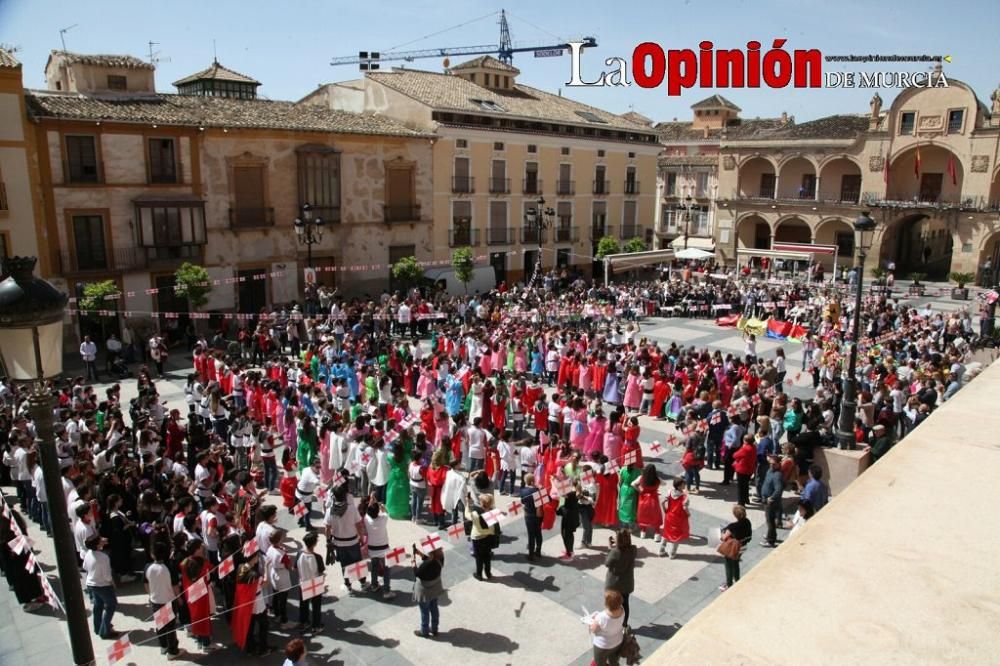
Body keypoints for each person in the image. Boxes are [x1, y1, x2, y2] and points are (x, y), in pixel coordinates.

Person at [324, 483, 367, 594]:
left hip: (339, 543)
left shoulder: (330, 511)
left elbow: (327, 529)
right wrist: (361, 538)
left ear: (334, 496)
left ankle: (348, 586)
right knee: (358, 562)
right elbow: (359, 525)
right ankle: (363, 583)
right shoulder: (352, 509)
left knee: (345, 565)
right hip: (353, 541)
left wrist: (328, 541)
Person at [145, 541, 182, 660]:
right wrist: (179, 598)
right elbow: (175, 586)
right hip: (168, 600)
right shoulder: (170, 568)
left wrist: (150, 594)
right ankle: (172, 651)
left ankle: (163, 646)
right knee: (170, 627)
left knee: (160, 625)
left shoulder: (147, 567)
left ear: (152, 554)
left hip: (155, 600)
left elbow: (145, 584)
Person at [83, 534, 119, 639]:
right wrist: (112, 583)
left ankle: (97, 626)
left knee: (98, 605)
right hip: (103, 585)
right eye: (100, 540)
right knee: (111, 605)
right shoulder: (103, 558)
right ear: (98, 545)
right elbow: (107, 576)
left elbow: (85, 566)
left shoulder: (88, 553)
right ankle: (105, 630)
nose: (103, 539)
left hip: (91, 583)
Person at [361, 495, 394, 599]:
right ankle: (386, 591)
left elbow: (367, 510)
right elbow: (385, 511)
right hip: (384, 549)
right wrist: (379, 504)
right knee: (386, 570)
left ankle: (374, 585)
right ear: (378, 511)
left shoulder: (367, 519)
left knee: (374, 567)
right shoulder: (383, 518)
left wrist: (372, 501)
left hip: (372, 549)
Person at [604, 529, 636, 625]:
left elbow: (607, 563)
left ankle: (612, 623)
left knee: (612, 604)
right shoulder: (633, 549)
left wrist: (610, 548)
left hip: (614, 584)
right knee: (625, 603)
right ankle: (624, 623)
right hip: (627, 583)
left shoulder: (615, 552)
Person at [412, 544, 445, 638]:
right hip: (435, 589)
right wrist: (420, 554)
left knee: (424, 611)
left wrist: (413, 565)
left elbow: (417, 573)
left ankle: (424, 631)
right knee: (434, 608)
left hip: (424, 592)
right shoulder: (440, 558)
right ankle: (434, 629)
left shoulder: (426, 565)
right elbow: (430, 560)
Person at [297, 531, 326, 631]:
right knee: (316, 606)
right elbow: (321, 572)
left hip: (303, 582)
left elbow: (295, 568)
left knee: (303, 605)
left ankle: (303, 623)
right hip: (315, 584)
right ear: (314, 544)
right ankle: (316, 626)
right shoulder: (317, 557)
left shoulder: (299, 553)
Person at [588, 589, 626, 666]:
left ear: (607, 603)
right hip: (617, 641)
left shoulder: (601, 617)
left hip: (603, 646)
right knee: (614, 661)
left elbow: (594, 630)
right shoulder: (622, 610)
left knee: (600, 663)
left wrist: (592, 622)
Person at [719, 504, 752, 591]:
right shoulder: (747, 522)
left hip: (733, 548)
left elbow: (723, 538)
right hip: (743, 547)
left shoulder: (733, 526)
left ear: (735, 515)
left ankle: (729, 584)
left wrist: (722, 532)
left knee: (728, 565)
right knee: (736, 562)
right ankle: (737, 580)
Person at [466, 492, 497, 580]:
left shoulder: (475, 514)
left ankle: (479, 574)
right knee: (487, 556)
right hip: (489, 537)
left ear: (481, 503)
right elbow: (491, 498)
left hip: (477, 538)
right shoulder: (493, 512)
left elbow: (467, 514)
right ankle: (488, 573)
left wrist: (468, 503)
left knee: (479, 558)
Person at [658, 477, 690, 558]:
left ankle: (661, 550)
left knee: (666, 533)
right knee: (677, 536)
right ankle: (672, 553)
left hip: (669, 516)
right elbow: (685, 507)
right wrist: (688, 514)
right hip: (679, 518)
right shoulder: (684, 496)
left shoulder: (670, 492)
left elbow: (662, 502)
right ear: (679, 486)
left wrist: (665, 510)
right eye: (683, 484)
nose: (684, 485)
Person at [760, 455, 784, 548]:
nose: (771, 466)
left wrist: (772, 498)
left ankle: (771, 541)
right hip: (765, 499)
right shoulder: (770, 471)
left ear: (779, 464)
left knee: (770, 521)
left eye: (774, 464)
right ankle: (770, 535)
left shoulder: (777, 475)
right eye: (770, 464)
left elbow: (778, 489)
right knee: (768, 520)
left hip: (771, 502)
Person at [633, 464, 662, 540]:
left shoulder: (641, 478)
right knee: (656, 516)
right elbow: (664, 484)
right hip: (653, 500)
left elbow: (633, 484)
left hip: (643, 499)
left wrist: (640, 490)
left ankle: (643, 532)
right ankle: (657, 534)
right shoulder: (657, 479)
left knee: (643, 516)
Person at [519, 472, 543, 560]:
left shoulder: (523, 491)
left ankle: (531, 555)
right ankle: (538, 550)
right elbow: (547, 499)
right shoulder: (538, 491)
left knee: (531, 535)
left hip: (528, 515)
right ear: (533, 481)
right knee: (538, 533)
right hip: (538, 514)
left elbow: (522, 502)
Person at [557, 481, 581, 560]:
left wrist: (553, 481)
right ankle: (569, 551)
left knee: (566, 534)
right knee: (569, 534)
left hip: (569, 517)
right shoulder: (575, 492)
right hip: (573, 516)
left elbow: (559, 491)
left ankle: (569, 553)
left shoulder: (571, 493)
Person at [732, 434, 757, 506]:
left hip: (742, 470)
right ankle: (746, 499)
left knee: (740, 487)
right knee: (746, 485)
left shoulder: (745, 448)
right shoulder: (754, 447)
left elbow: (735, 455)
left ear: (746, 441)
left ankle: (741, 503)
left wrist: (742, 447)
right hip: (749, 469)